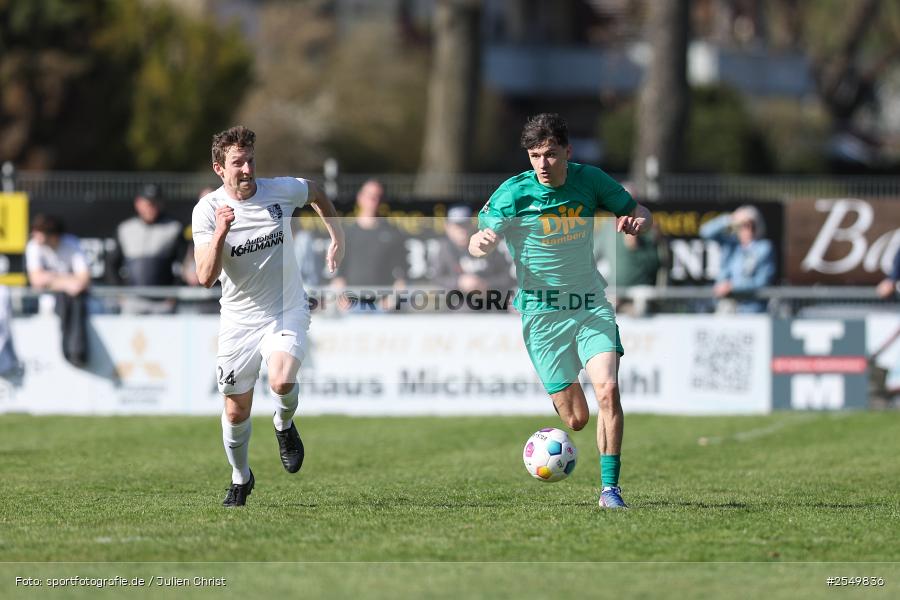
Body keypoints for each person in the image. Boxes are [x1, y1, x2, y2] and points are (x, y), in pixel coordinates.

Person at [469, 113, 652, 509]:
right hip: (541, 315)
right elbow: (478, 238)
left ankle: (610, 490)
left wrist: (637, 220)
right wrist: (480, 243)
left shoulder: (591, 181)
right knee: (576, 420)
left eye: (551, 154)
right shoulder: (513, 193)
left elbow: (639, 209)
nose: (542, 165)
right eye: (534, 156)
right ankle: (561, 407)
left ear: (567, 152)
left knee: (608, 389)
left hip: (589, 304)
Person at [192, 126, 344, 507]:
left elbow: (318, 194)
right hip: (239, 322)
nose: (246, 169)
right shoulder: (208, 211)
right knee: (235, 407)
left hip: (285, 309)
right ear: (219, 169)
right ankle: (240, 477)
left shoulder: (281, 190)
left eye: (250, 160)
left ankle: (283, 424)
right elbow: (205, 276)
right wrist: (221, 232)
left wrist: (337, 236)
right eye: (237, 163)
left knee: (280, 381)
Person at [25, 214, 91, 367]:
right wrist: (68, 282)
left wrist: (51, 278)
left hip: (74, 307)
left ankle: (76, 352)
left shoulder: (72, 244)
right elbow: (36, 280)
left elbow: (84, 280)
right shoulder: (33, 246)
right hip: (47, 309)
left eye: (39, 233)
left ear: (53, 235)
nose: (35, 236)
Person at [331, 179, 406, 308]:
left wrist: (392, 299)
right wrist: (340, 297)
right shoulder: (347, 233)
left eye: (377, 196)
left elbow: (401, 273)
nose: (373, 200)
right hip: (352, 305)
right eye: (369, 195)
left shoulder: (393, 233)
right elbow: (338, 272)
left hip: (382, 305)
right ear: (360, 197)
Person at [115, 184, 187, 313]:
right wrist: (119, 293)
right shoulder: (125, 228)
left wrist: (174, 293)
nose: (151, 208)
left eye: (155, 203)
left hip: (162, 302)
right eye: (148, 203)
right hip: (132, 301)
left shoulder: (173, 228)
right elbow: (111, 263)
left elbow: (185, 264)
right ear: (138, 203)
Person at [431, 205, 514, 310]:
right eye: (457, 226)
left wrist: (484, 284)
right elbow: (435, 279)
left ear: (471, 224)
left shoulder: (486, 243)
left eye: (465, 225)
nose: (462, 230)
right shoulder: (444, 249)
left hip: (491, 306)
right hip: (458, 309)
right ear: (448, 227)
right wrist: (459, 282)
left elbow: (506, 277)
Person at [699, 205, 775, 313]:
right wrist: (729, 219)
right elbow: (704, 232)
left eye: (749, 225)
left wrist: (733, 287)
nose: (745, 229)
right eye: (741, 225)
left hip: (751, 310)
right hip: (726, 308)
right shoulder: (731, 245)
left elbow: (762, 281)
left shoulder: (764, 248)